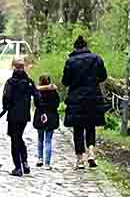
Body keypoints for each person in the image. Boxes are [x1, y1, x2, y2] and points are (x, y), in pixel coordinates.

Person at [61, 35, 111, 169]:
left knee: (77, 129)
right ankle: (91, 153)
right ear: (86, 46)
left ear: (75, 47)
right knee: (90, 126)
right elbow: (103, 76)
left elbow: (65, 81)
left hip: (76, 99)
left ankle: (80, 159)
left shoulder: (71, 61)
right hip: (93, 98)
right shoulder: (96, 59)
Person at [0, 58, 36, 176]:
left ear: (14, 67)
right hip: (24, 115)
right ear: (23, 67)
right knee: (19, 137)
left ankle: (18, 167)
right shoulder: (29, 81)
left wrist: (5, 109)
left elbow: (6, 98)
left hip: (13, 115)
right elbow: (37, 95)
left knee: (15, 139)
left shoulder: (11, 82)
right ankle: (25, 162)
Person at [33, 74, 61, 168]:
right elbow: (57, 104)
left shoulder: (37, 92)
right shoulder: (54, 92)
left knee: (40, 139)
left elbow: (36, 104)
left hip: (40, 116)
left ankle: (40, 158)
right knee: (48, 140)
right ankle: (47, 163)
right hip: (51, 117)